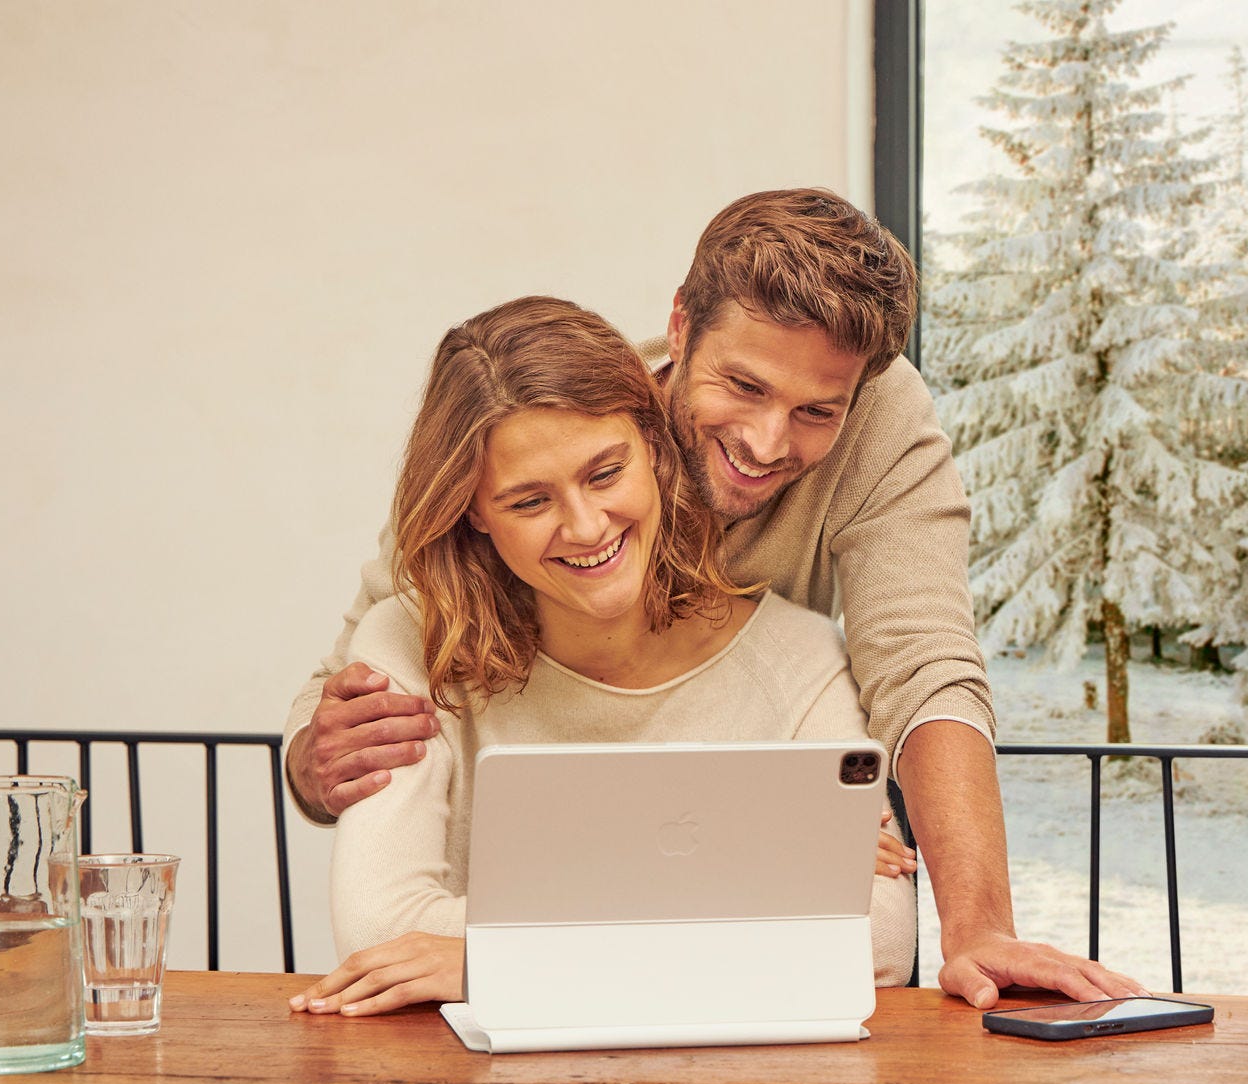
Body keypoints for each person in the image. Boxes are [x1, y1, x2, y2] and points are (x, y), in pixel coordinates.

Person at [284, 189, 1146, 1008]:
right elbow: (357, 687)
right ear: (679, 329)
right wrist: (757, 857)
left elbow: (924, 666)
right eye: (744, 387)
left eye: (816, 411)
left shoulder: (812, 620)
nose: (767, 443)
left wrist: (978, 927)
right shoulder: (545, 427)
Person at [291, 297, 915, 1014]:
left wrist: (495, 963)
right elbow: (379, 932)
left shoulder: (802, 659)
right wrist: (758, 865)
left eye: (604, 474)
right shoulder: (409, 647)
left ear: (653, 447)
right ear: (474, 511)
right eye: (529, 502)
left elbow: (876, 942)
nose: (587, 528)